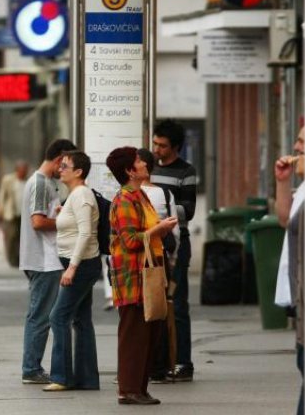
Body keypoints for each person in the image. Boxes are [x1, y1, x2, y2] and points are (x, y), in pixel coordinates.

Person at [107, 146, 177, 406]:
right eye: (138, 161)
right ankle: (128, 388)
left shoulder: (140, 196)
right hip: (133, 276)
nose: (145, 163)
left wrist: (161, 229)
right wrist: (159, 229)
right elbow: (130, 240)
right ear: (129, 170)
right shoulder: (124, 199)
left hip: (149, 271)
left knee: (150, 332)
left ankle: (140, 387)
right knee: (133, 334)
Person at [43, 150, 101, 392]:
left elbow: (86, 234)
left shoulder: (82, 195)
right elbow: (75, 228)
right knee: (81, 319)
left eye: (65, 165)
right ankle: (87, 379)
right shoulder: (75, 196)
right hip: (77, 264)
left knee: (58, 316)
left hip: (81, 265)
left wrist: (72, 268)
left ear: (78, 172)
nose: (60, 169)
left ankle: (62, 376)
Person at [20, 139, 76, 385]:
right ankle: (31, 369)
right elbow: (38, 222)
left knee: (40, 314)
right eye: (64, 163)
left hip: (44, 259)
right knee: (40, 316)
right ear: (57, 159)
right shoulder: (41, 183)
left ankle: (32, 366)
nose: (64, 168)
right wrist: (66, 223)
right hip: (44, 260)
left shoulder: (43, 182)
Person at [150, 119, 196, 383]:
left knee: (177, 304)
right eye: (155, 144)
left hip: (178, 242)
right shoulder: (149, 168)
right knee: (156, 304)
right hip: (154, 240)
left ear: (176, 147)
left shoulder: (185, 171)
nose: (157, 149)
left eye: (163, 146)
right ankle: (161, 360)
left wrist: (162, 205)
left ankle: (183, 361)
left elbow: (188, 210)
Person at [138, 148, 179, 383]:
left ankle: (142, 365)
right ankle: (161, 365)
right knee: (160, 311)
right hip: (161, 260)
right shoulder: (165, 194)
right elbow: (175, 232)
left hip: (141, 261)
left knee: (137, 314)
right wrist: (171, 261)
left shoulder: (130, 195)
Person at [275, 126, 305, 415]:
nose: (295, 148)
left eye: (302, 142)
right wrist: (282, 183)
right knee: (303, 362)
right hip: (299, 295)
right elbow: (285, 219)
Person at [0, 160, 28, 267]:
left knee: (22, 237)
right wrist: (0, 210)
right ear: (17, 170)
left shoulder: (28, 181)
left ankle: (19, 258)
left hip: (24, 214)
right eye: (22, 171)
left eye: (25, 171)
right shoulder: (8, 180)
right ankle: (12, 260)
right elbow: (2, 196)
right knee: (11, 236)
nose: (24, 173)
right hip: (11, 213)